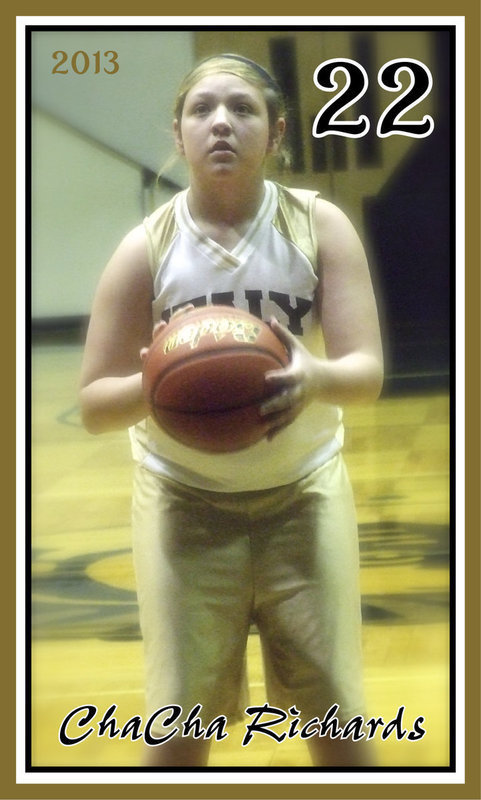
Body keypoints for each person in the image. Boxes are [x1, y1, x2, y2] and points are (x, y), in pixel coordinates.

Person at [79, 53, 384, 768]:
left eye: (242, 109)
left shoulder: (318, 225)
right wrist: (157, 376)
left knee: (339, 724)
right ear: (178, 133)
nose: (222, 122)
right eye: (203, 109)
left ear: (276, 132)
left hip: (303, 492)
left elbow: (364, 375)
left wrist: (312, 377)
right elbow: (96, 405)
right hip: (184, 502)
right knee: (177, 731)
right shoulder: (146, 248)